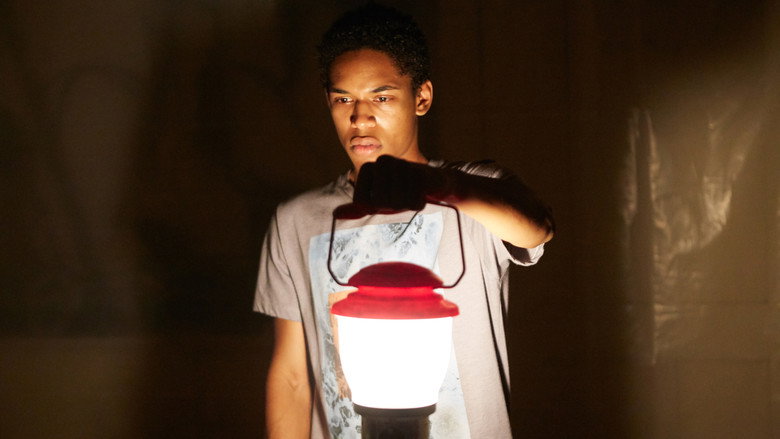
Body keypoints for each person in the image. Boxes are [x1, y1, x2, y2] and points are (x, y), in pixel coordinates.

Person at [254, 3, 554, 438]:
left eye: (382, 97)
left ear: (421, 98)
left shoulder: (475, 193)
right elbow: (292, 377)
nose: (360, 117)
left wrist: (437, 186)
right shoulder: (296, 219)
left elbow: (537, 228)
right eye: (344, 99)